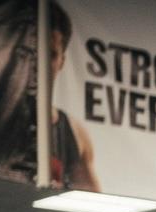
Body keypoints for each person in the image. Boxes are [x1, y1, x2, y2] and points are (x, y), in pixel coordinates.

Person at [49, 2, 99, 191]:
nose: (40, 63)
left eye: (51, 55)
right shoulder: (1, 121)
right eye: (34, 52)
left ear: (62, 61)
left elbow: (96, 210)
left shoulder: (75, 133)